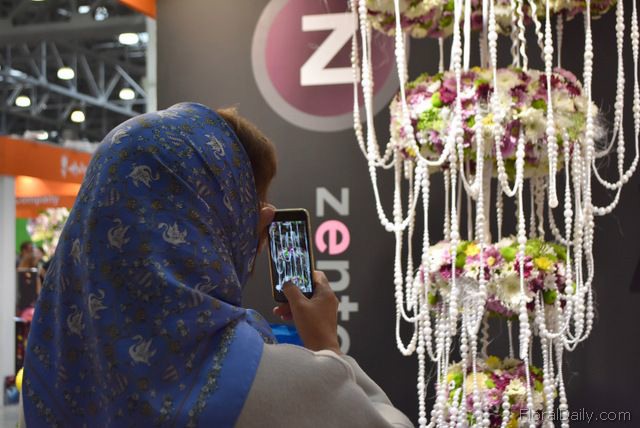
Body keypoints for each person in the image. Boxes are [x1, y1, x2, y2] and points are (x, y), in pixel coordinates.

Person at [21, 102, 413, 427]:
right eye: (250, 211)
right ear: (224, 224)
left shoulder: (47, 377)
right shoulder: (270, 384)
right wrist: (328, 348)